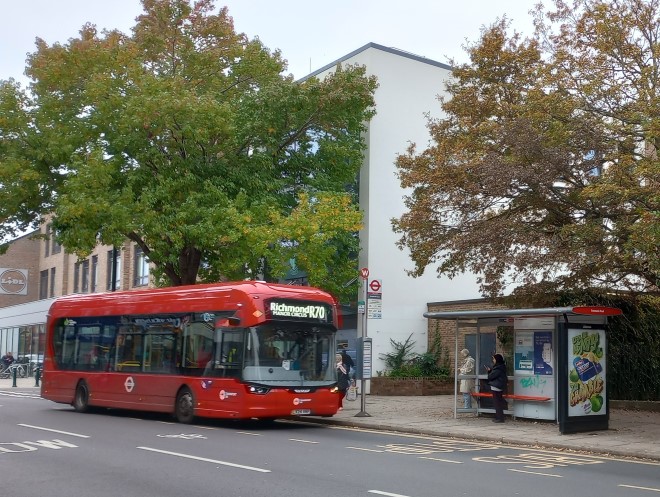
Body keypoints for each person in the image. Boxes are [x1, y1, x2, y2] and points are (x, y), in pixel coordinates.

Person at [485, 353, 507, 423]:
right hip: (499, 387)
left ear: (497, 359)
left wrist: (489, 372)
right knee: (498, 403)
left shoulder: (498, 368)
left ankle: (499, 418)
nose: (493, 360)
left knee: (497, 403)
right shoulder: (501, 367)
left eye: (494, 359)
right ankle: (499, 417)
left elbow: (491, 377)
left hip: (496, 387)